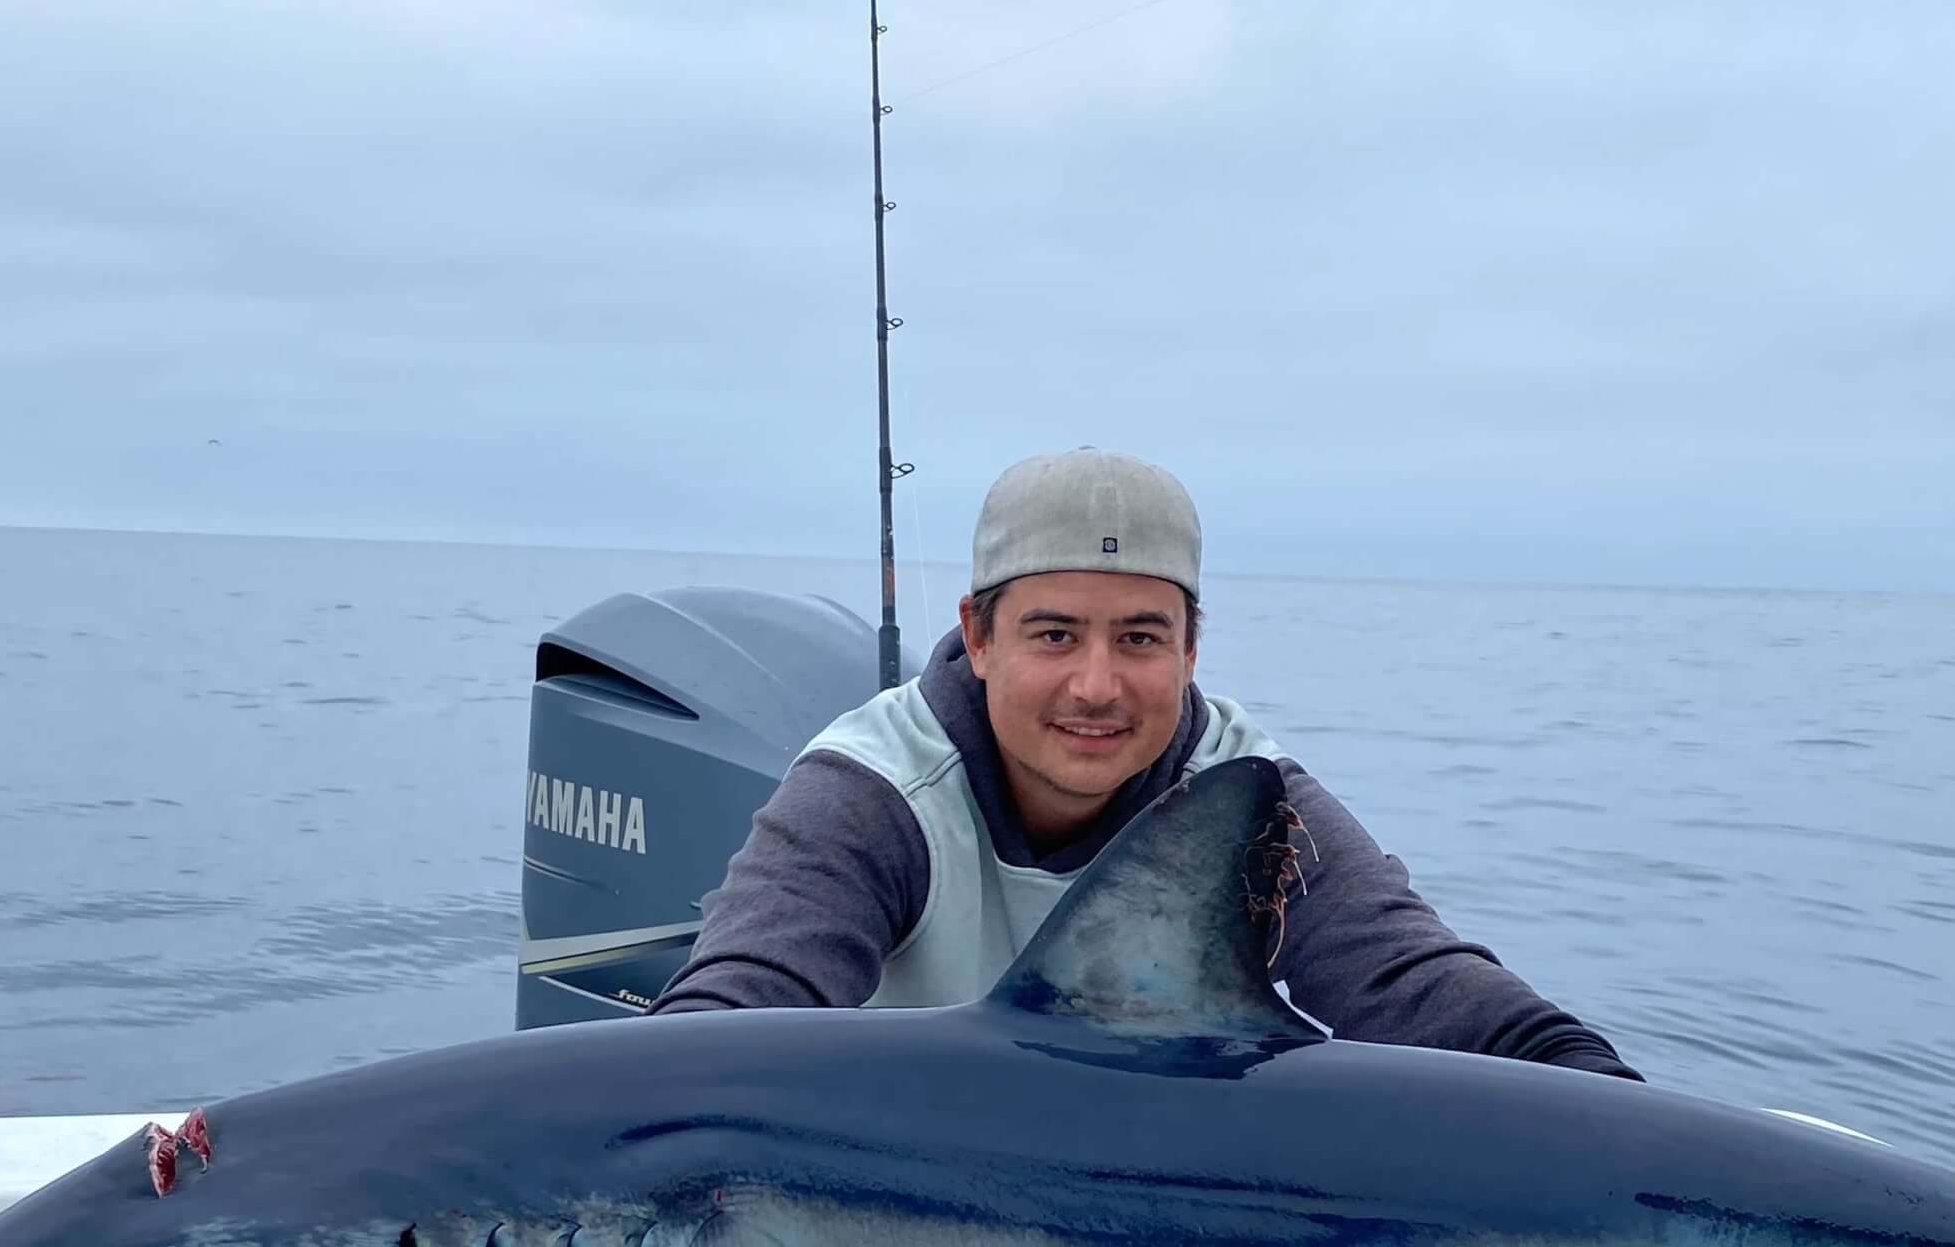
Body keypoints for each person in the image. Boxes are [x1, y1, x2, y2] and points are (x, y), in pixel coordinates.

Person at [653, 448, 1638, 1079]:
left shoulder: (1243, 794)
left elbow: (1408, 980)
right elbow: (719, 1029)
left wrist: (1591, 1083)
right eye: (1052, 635)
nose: (1094, 685)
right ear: (978, 636)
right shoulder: (873, 794)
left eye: (1137, 638)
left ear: (1191, 648)